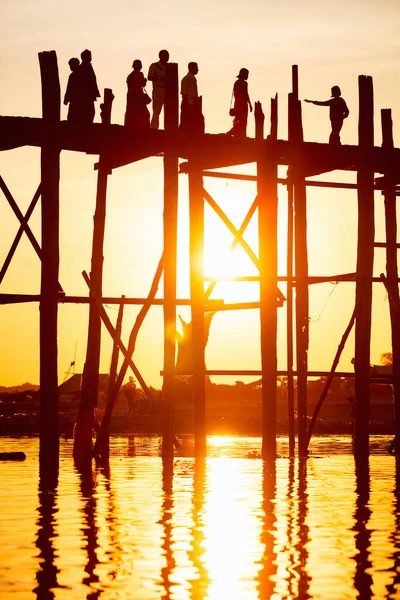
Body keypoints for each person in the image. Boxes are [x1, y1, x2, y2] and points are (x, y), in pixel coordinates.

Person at [227, 68, 253, 137]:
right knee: (243, 121)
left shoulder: (236, 83)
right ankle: (240, 134)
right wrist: (250, 104)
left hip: (237, 103)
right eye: (247, 74)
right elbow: (246, 94)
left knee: (238, 120)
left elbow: (235, 94)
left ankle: (237, 134)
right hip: (243, 104)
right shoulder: (244, 83)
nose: (248, 76)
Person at [124, 59, 150, 128]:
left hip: (130, 95)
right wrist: (144, 81)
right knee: (143, 113)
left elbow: (129, 86)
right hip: (138, 95)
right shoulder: (139, 74)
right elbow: (143, 84)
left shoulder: (130, 75)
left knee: (131, 111)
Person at [147, 49, 169, 129]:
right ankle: (153, 128)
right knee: (156, 111)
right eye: (165, 55)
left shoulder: (169, 67)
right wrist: (159, 77)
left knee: (168, 112)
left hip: (168, 90)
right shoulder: (154, 66)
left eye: (168, 55)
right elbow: (149, 77)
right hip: (158, 89)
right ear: (160, 56)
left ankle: (168, 129)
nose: (167, 57)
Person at [180, 62, 203, 135]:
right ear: (191, 68)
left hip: (185, 101)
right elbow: (191, 93)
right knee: (191, 119)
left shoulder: (184, 78)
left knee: (184, 119)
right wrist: (191, 103)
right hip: (190, 102)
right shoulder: (191, 78)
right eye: (196, 68)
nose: (197, 70)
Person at [78, 49, 100, 124]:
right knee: (88, 112)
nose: (91, 58)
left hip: (88, 94)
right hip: (86, 95)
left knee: (90, 112)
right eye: (89, 57)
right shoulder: (83, 68)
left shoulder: (86, 67)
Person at [64, 57, 80, 122]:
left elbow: (69, 88)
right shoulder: (74, 75)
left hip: (75, 100)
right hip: (75, 100)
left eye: (71, 65)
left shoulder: (73, 76)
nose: (70, 67)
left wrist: (66, 99)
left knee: (72, 117)